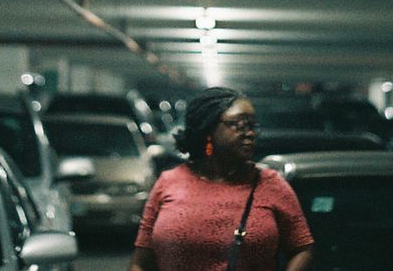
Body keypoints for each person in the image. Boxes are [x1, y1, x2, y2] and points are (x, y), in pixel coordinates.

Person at [129, 87, 314, 271]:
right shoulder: (168, 183)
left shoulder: (270, 184)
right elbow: (141, 260)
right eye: (239, 124)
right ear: (208, 128)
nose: (250, 133)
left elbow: (302, 248)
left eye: (252, 126)